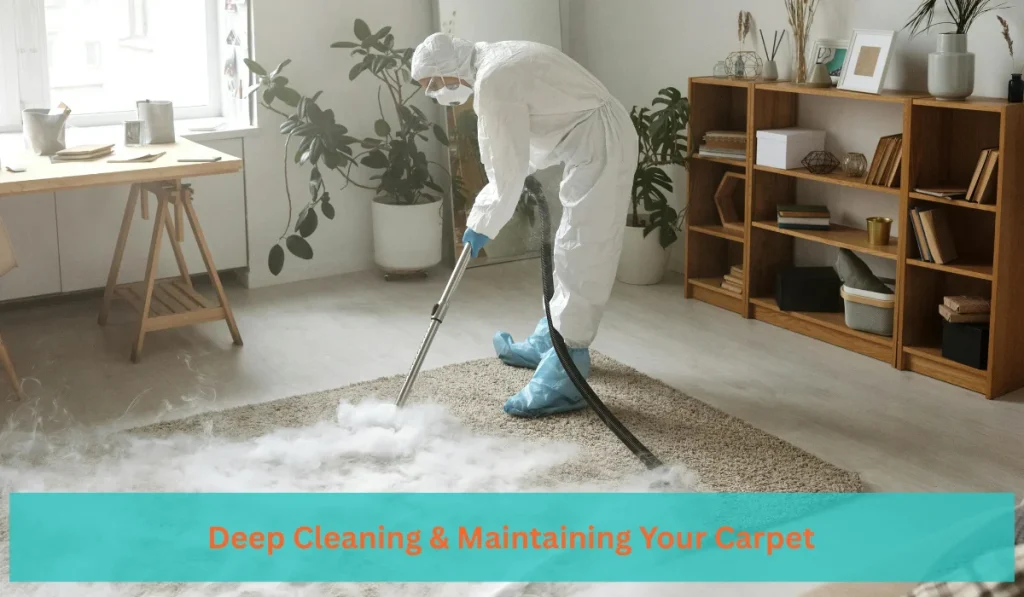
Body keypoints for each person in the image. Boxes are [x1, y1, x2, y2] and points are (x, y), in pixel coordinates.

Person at [411, 33, 638, 419]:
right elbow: (520, 143)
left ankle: (568, 369)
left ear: (449, 71)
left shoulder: (494, 80)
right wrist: (499, 199)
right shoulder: (494, 63)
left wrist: (483, 222)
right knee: (570, 244)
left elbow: (504, 172)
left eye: (433, 84)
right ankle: (550, 338)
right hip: (588, 140)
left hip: (602, 142)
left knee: (583, 249)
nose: (434, 93)